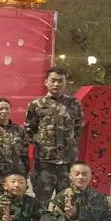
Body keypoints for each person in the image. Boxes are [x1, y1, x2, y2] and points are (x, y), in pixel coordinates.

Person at [25, 67, 84, 205]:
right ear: (46, 82)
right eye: (53, 80)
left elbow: (78, 128)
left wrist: (69, 145)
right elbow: (29, 130)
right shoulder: (36, 105)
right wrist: (43, 144)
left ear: (65, 82)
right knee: (41, 202)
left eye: (60, 81)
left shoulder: (74, 104)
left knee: (66, 202)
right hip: (45, 162)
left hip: (67, 162)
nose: (56, 84)